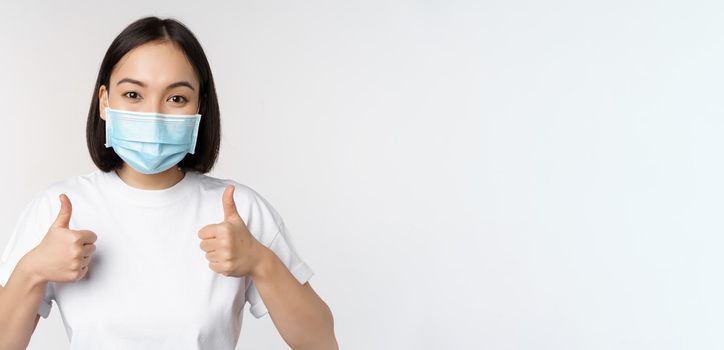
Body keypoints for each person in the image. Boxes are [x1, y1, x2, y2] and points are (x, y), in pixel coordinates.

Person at [0, 16, 338, 350]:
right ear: (105, 102)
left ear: (199, 108)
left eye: (176, 98)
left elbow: (321, 342)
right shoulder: (59, 209)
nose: (154, 115)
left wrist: (262, 262)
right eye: (133, 94)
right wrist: (31, 270)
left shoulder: (237, 210)